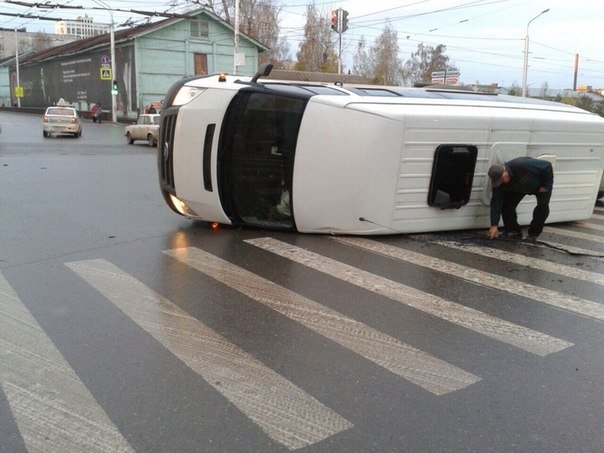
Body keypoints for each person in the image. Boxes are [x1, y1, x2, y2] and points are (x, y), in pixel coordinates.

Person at [487, 156, 554, 241]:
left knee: (542, 207)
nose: (501, 182)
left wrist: (547, 185)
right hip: (518, 187)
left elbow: (547, 166)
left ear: (505, 171)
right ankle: (513, 231)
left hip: (540, 185)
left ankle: (533, 234)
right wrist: (494, 225)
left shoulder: (522, 164)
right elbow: (496, 202)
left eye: (502, 179)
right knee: (507, 206)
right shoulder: (498, 184)